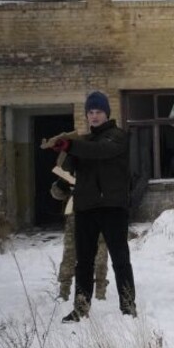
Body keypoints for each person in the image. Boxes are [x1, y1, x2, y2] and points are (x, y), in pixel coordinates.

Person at [51, 91, 138, 321]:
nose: (94, 116)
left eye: (98, 111)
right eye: (90, 112)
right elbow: (68, 169)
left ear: (106, 113)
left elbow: (100, 151)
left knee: (120, 259)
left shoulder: (118, 137)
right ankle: (80, 308)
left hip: (113, 207)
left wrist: (70, 144)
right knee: (84, 262)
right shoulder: (82, 142)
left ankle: (128, 307)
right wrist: (60, 180)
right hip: (86, 208)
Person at [51, 177, 109, 302]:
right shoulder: (73, 162)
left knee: (101, 252)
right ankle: (64, 291)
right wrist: (63, 184)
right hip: (75, 215)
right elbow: (56, 193)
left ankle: (100, 292)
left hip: (98, 212)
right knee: (70, 253)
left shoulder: (104, 161)